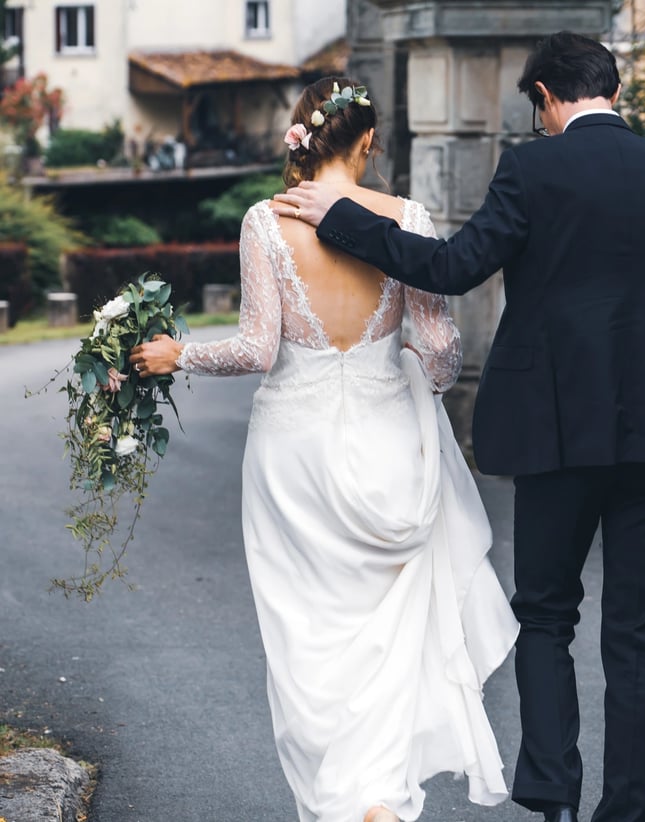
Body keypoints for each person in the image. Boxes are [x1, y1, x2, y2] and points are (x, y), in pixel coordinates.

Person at [272, 33, 645, 822]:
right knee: (639, 634)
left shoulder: (532, 170)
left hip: (555, 431)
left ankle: (554, 796)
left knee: (547, 614)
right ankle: (627, 811)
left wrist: (346, 219)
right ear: (611, 90)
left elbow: (452, 267)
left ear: (545, 98)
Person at [129, 76, 519, 822]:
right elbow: (442, 353)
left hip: (293, 455)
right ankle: (377, 794)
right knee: (388, 635)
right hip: (388, 444)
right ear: (368, 141)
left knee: (306, 636)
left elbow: (256, 349)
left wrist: (180, 355)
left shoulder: (266, 221)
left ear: (303, 136)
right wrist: (414, 372)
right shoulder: (407, 218)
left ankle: (343, 797)